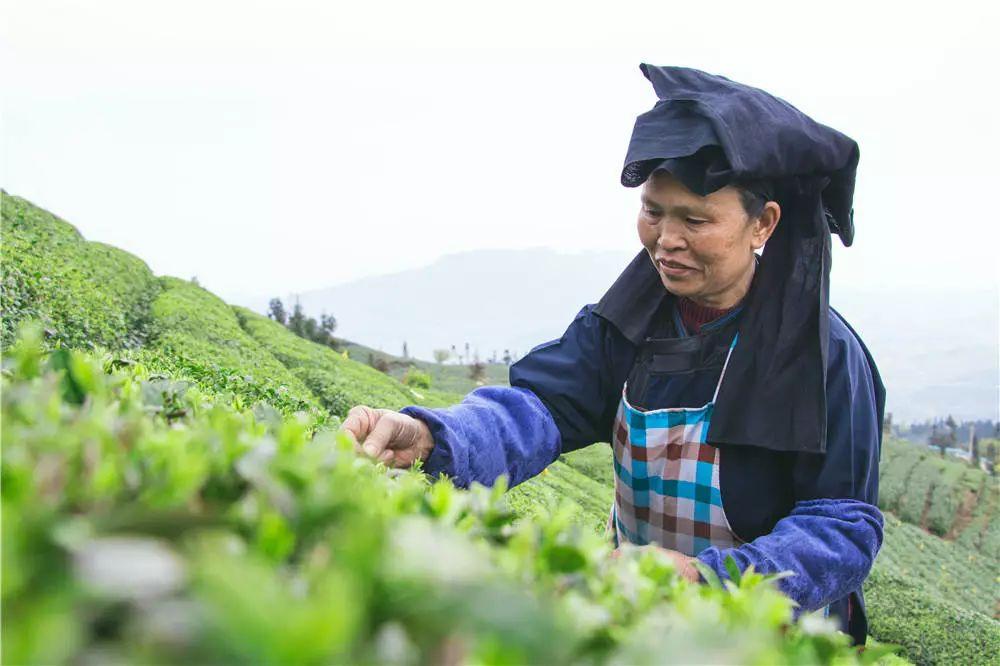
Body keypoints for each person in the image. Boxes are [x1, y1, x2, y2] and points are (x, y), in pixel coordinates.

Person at [340, 64, 886, 646]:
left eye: (694, 220)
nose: (665, 240)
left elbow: (840, 526)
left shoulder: (823, 358)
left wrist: (710, 582)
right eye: (653, 211)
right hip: (640, 626)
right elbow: (537, 408)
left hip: (773, 643)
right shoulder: (627, 324)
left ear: (763, 225)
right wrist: (432, 434)